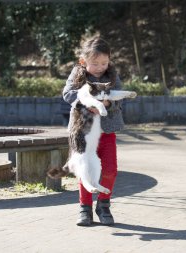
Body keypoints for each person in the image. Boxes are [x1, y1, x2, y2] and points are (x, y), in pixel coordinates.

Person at [62, 35, 124, 226]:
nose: (100, 67)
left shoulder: (112, 76)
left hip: (106, 132)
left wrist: (108, 103)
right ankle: (85, 208)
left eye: (104, 63)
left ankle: (103, 205)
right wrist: (85, 102)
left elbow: (119, 98)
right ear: (83, 61)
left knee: (110, 170)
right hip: (84, 133)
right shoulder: (78, 73)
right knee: (86, 170)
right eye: (95, 63)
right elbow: (67, 94)